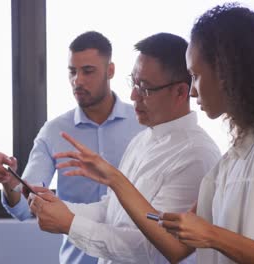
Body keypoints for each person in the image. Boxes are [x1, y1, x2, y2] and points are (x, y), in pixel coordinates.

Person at [53, 3, 254, 264]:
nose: (192, 91)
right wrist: (112, 179)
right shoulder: (229, 162)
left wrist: (214, 236)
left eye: (196, 76)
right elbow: (175, 246)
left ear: (228, 74)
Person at [28, 32, 221, 264]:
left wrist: (70, 224)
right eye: (134, 83)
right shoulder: (142, 139)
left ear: (180, 92)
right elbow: (112, 211)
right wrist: (61, 208)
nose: (133, 95)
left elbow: (152, 249)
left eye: (145, 88)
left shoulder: (196, 156)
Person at [0, 31, 143, 264]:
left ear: (110, 71)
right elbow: (25, 207)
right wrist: (10, 183)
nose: (77, 81)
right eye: (72, 71)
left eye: (88, 71)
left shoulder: (142, 124)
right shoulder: (53, 131)